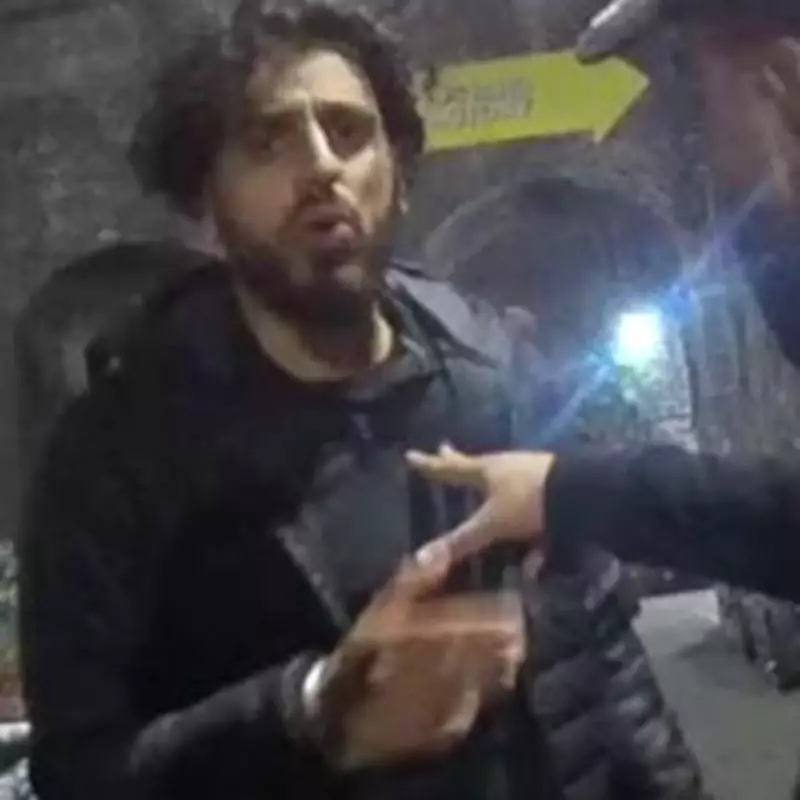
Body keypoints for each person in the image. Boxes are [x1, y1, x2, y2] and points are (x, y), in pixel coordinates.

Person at [19, 3, 705, 800]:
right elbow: (79, 772)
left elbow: (605, 653)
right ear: (207, 201)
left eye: (348, 131)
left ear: (398, 175)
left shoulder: (496, 378)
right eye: (268, 141)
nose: (321, 167)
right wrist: (311, 709)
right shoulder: (119, 454)